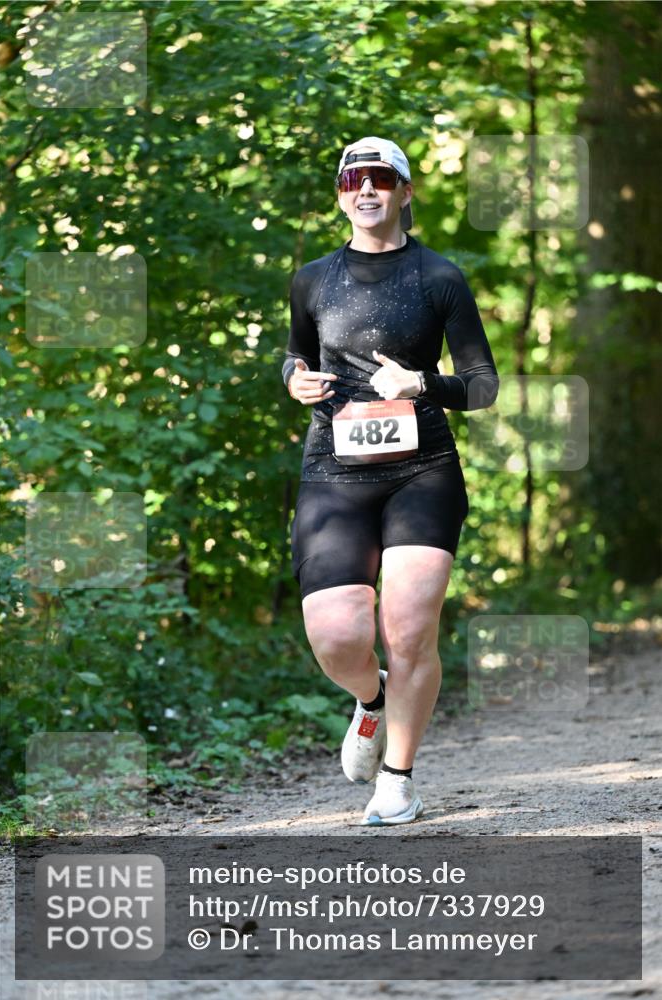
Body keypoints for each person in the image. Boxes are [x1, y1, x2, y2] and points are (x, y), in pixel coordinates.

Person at [282, 136, 498, 826]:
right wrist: (293, 379)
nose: (367, 189)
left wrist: (422, 384)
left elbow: (483, 385)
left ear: (405, 192)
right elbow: (295, 354)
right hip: (334, 472)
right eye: (354, 180)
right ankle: (372, 700)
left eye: (381, 178)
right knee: (336, 635)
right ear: (341, 195)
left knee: (407, 631)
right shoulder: (313, 279)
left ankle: (398, 780)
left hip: (422, 471)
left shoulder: (439, 277)